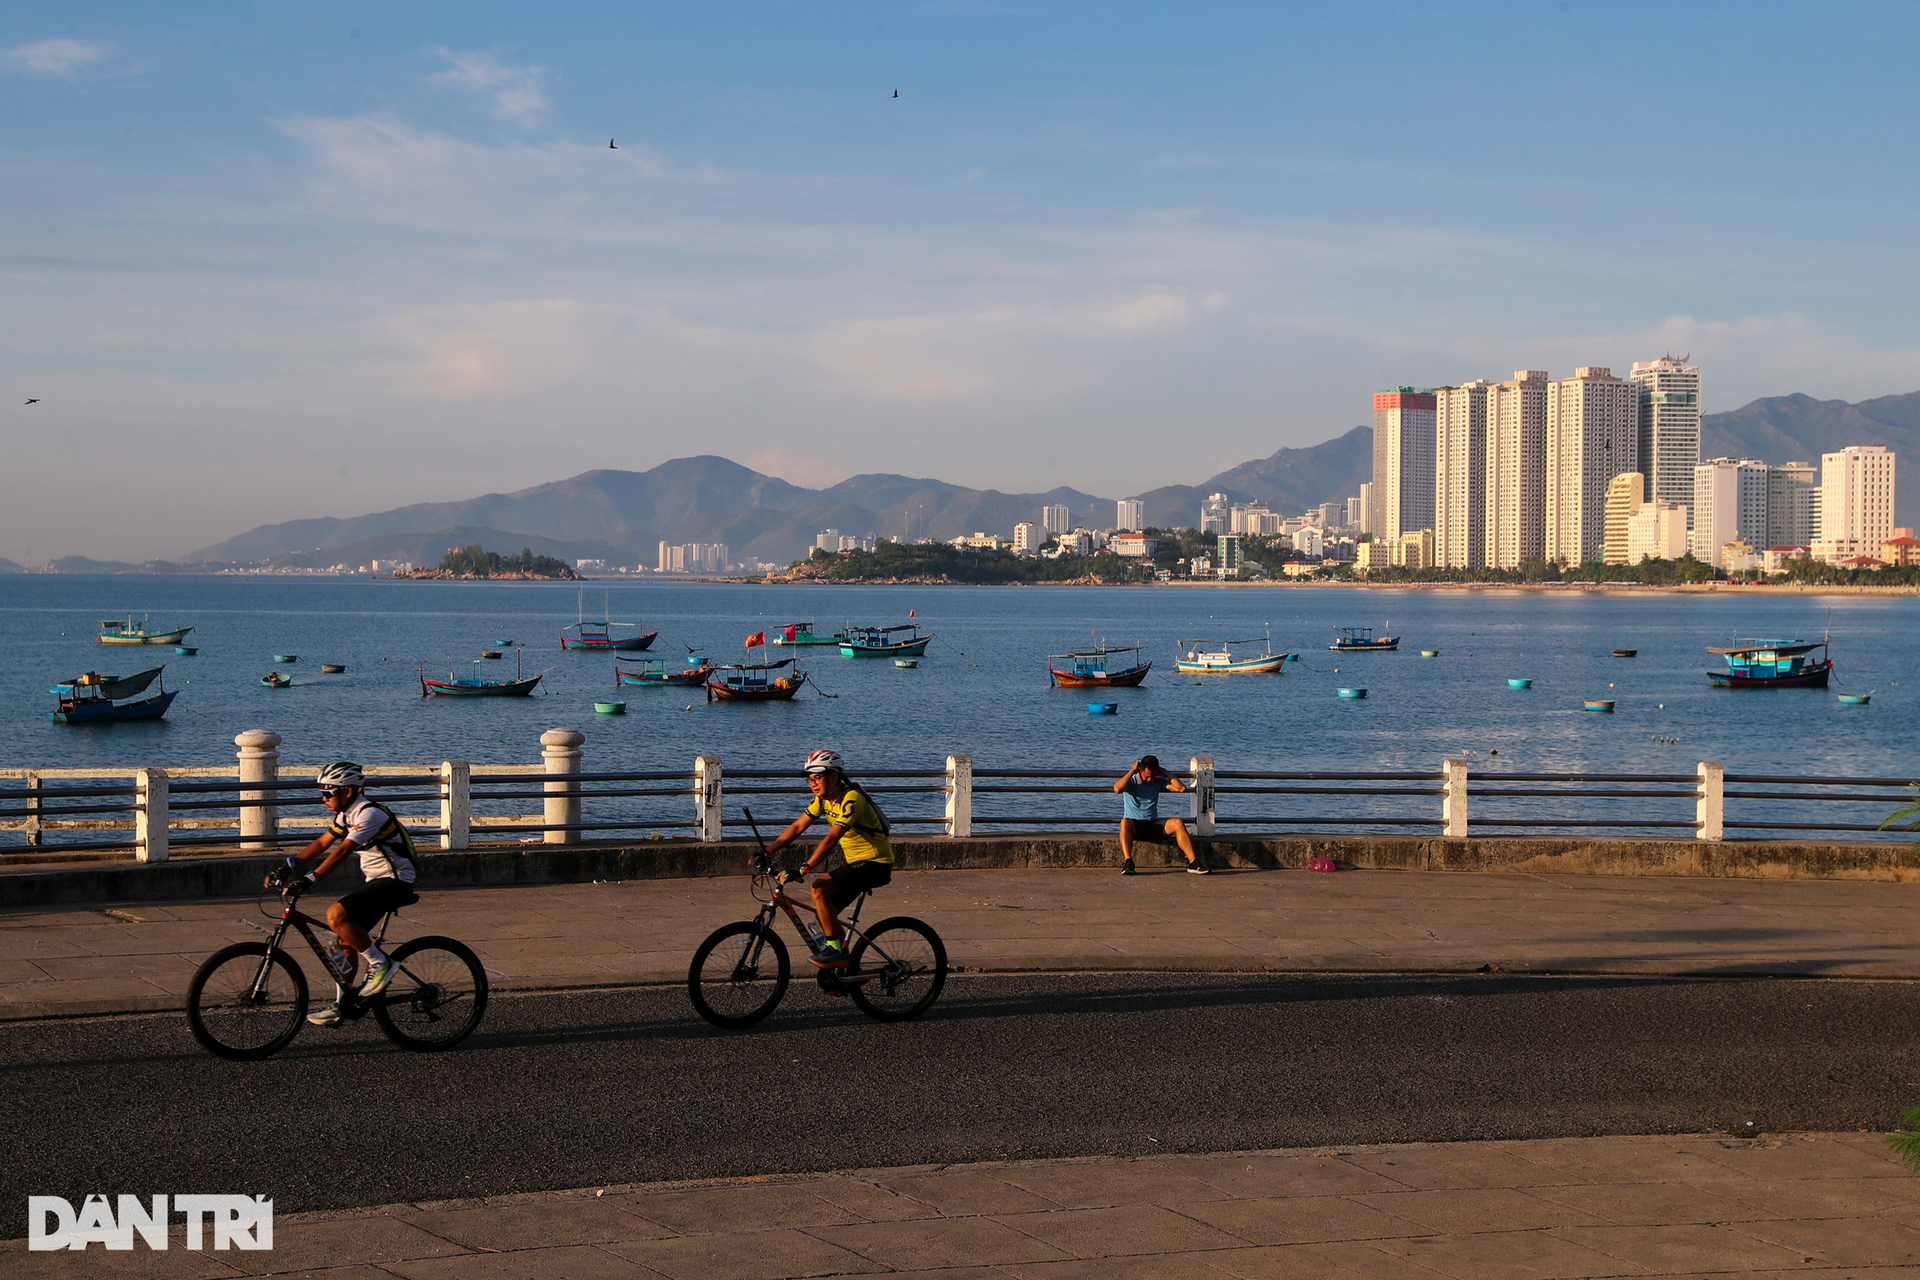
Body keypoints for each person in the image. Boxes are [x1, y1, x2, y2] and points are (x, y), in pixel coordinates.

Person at [266, 761, 420, 1025]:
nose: (323, 798)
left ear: (348, 791)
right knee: (340, 943)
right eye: (322, 793)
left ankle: (381, 964)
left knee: (335, 914)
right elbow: (322, 843)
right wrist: (288, 866)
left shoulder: (368, 814)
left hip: (397, 880)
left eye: (328, 792)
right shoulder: (344, 815)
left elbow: (341, 852)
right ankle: (343, 1004)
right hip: (376, 881)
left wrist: (309, 879)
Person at [764, 749, 894, 968]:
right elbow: (798, 826)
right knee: (825, 914)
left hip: (876, 863)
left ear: (835, 777)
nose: (813, 784)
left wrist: (804, 869)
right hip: (856, 864)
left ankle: (836, 952)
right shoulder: (823, 800)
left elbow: (832, 838)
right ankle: (847, 973)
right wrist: (768, 852)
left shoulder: (851, 799)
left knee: (818, 888)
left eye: (818, 777)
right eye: (810, 779)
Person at [1113, 755, 1206, 874]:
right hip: (1135, 826)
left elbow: (1181, 788)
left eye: (1152, 776)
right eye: (1147, 776)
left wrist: (1164, 772)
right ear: (1140, 770)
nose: (1149, 780)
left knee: (1177, 822)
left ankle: (1194, 862)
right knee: (1124, 822)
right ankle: (1128, 862)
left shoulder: (1158, 781)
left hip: (1153, 824)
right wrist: (1132, 771)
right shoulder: (1131, 781)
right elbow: (1117, 789)